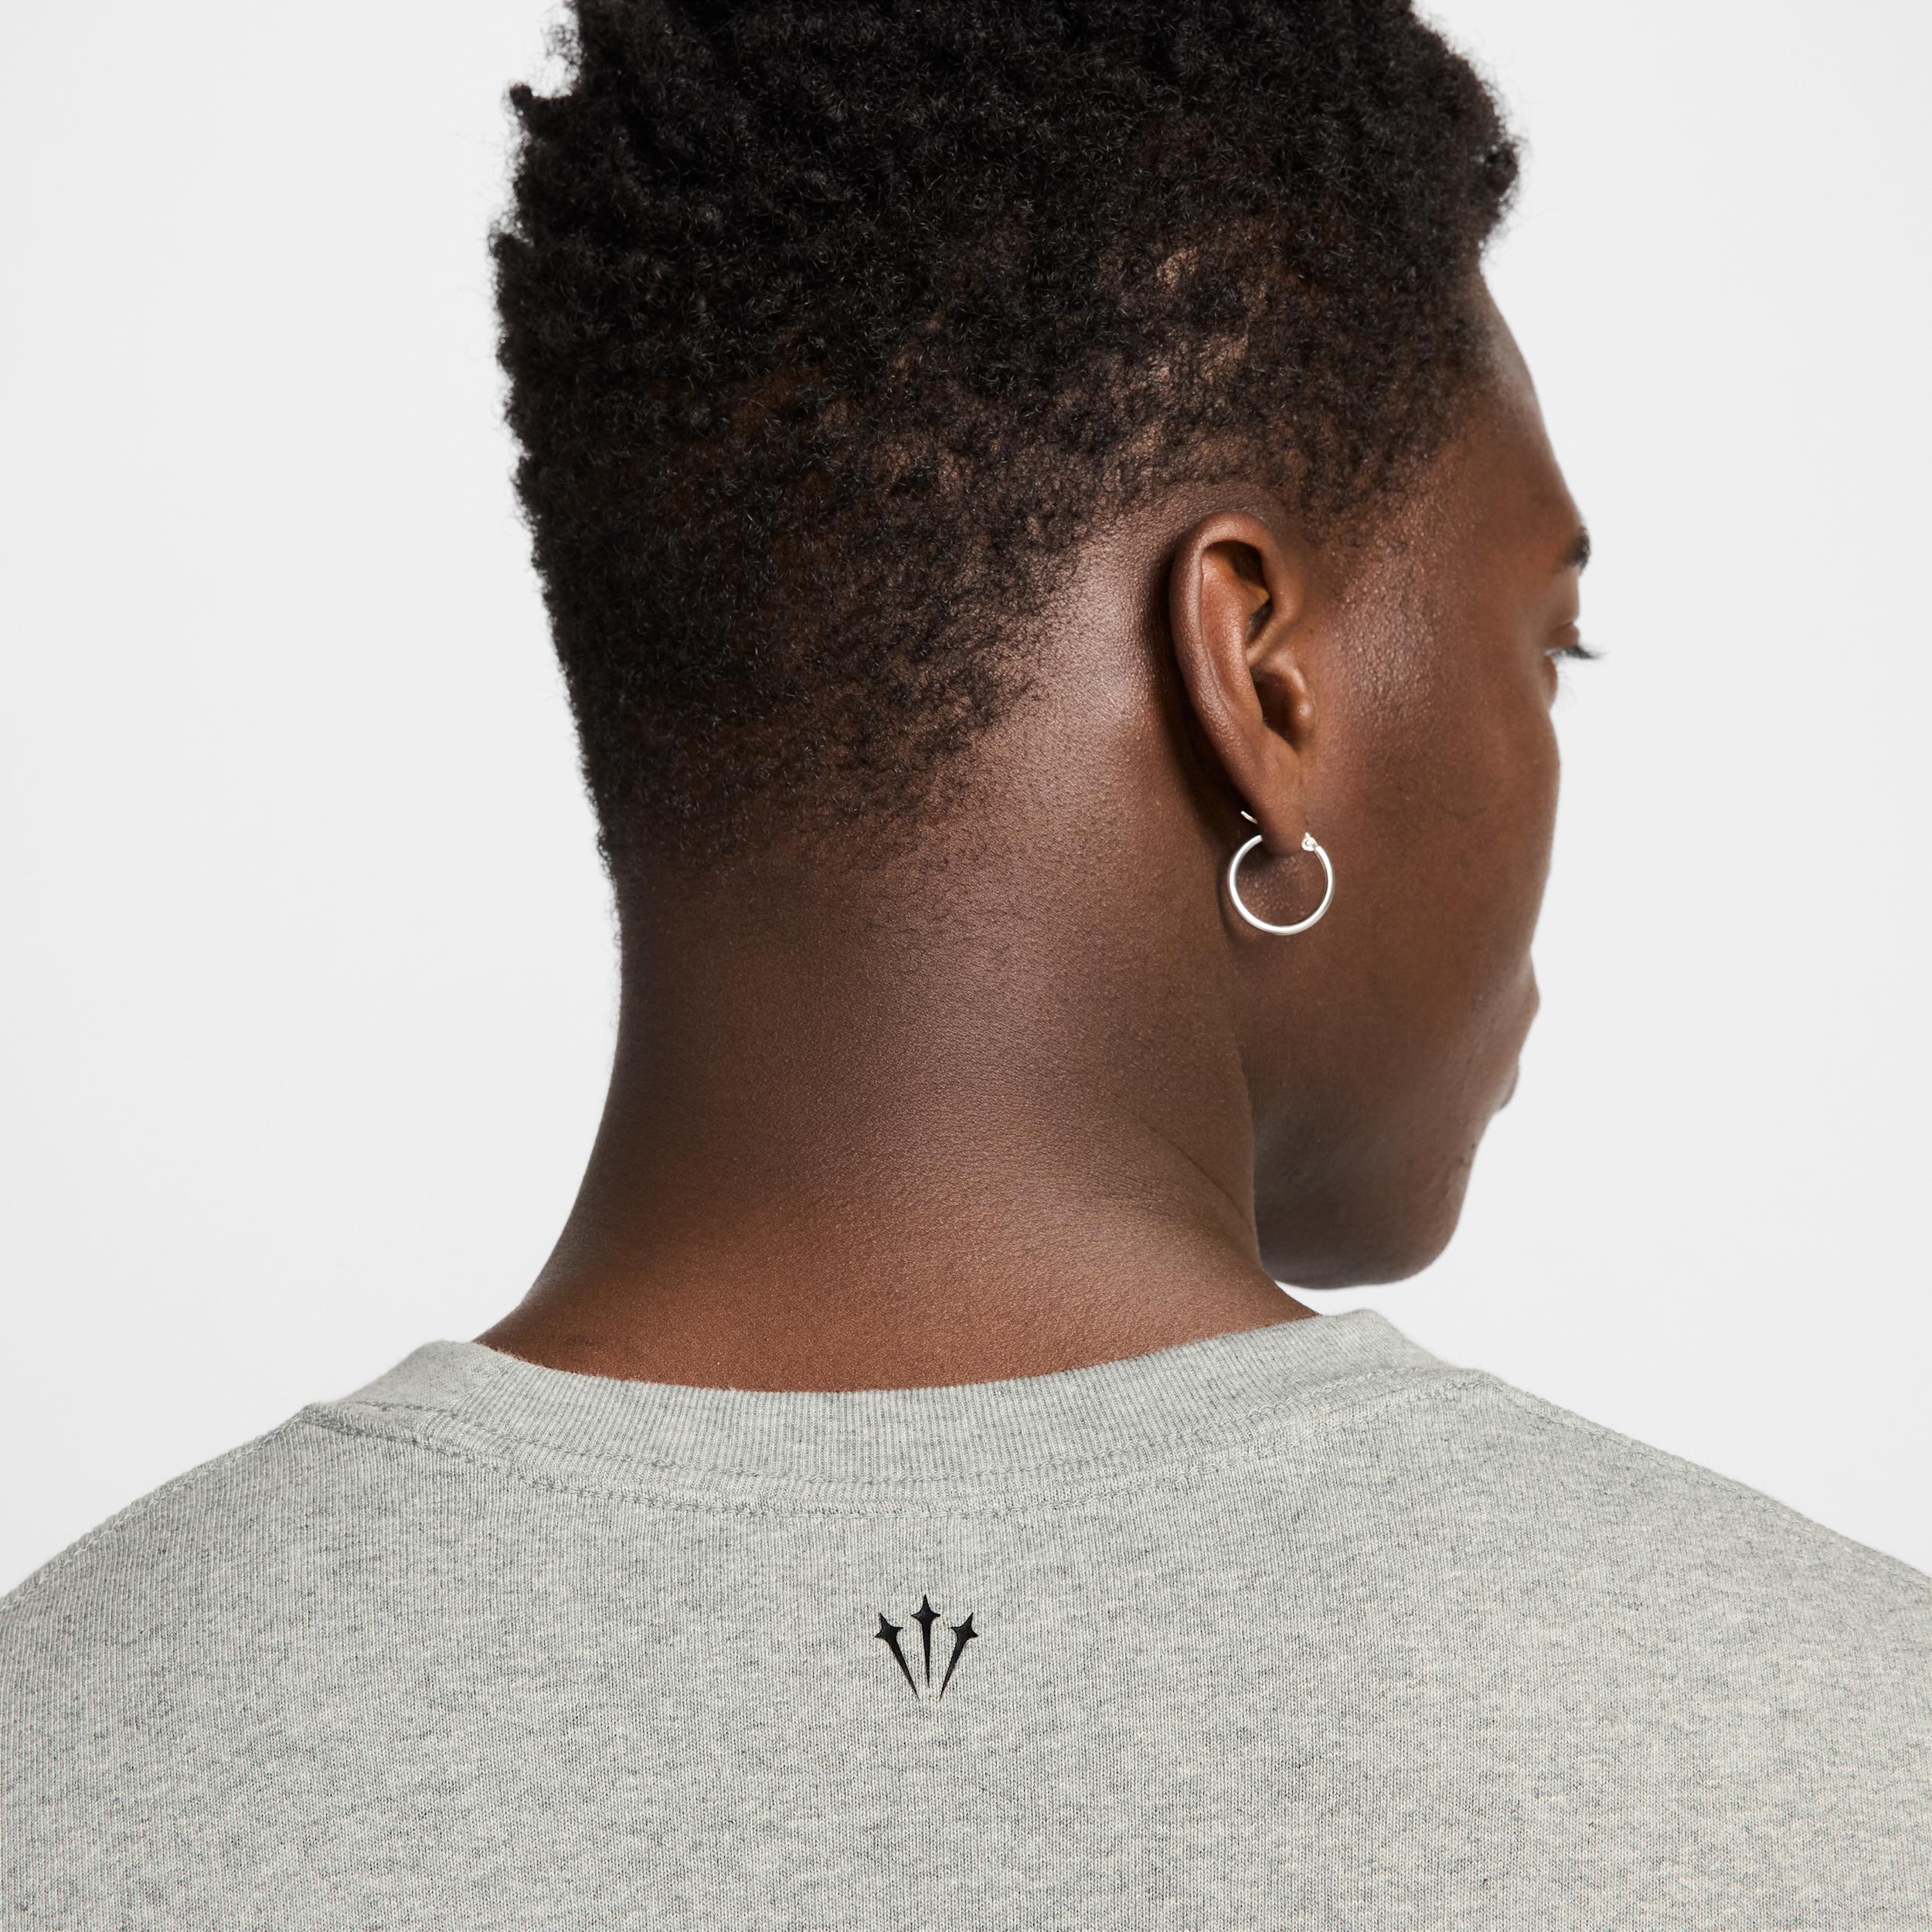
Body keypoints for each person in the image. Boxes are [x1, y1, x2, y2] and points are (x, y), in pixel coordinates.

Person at [4, 0, 1927, 1923]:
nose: (1549, 728)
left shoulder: (59, 1767)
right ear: (1259, 677)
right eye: (1549, 644)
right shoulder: (1847, 1763)